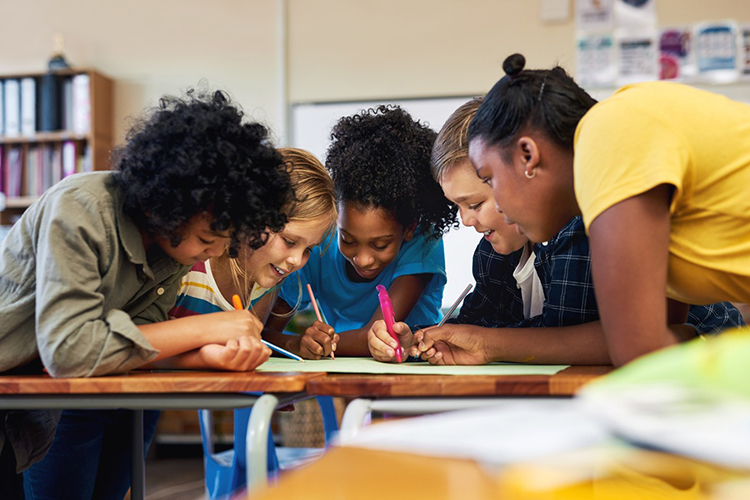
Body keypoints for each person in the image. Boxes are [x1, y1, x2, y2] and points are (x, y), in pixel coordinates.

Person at [1, 88, 292, 499]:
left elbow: (141, 340)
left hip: (57, 391)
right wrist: (211, 327)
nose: (213, 253)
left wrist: (205, 355)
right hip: (27, 388)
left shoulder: (170, 245)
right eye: (209, 237)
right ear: (163, 205)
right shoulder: (80, 209)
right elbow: (70, 350)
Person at [398, 97, 745, 365]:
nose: (465, 221)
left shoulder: (584, 223)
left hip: (710, 356)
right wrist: (423, 338)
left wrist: (483, 340)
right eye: (457, 206)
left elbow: (561, 332)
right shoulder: (494, 250)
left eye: (475, 204)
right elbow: (477, 320)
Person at [466, 53, 750, 366]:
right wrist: (483, 343)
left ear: (527, 155)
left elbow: (639, 355)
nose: (497, 204)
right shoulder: (630, 180)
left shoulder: (611, 133)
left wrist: (677, 338)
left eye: (489, 179)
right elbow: (657, 336)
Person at [267, 105, 457, 360]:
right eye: (347, 239)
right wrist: (298, 344)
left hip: (412, 374)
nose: (363, 258)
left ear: (409, 228)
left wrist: (310, 345)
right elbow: (264, 333)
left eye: (380, 245)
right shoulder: (312, 245)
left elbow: (377, 337)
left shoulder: (422, 240)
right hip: (345, 373)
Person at [167, 147, 338, 366]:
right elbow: (141, 346)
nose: (296, 260)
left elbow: (255, 338)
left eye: (308, 250)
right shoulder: (190, 268)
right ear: (250, 217)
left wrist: (295, 345)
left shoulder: (265, 278)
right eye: (289, 241)